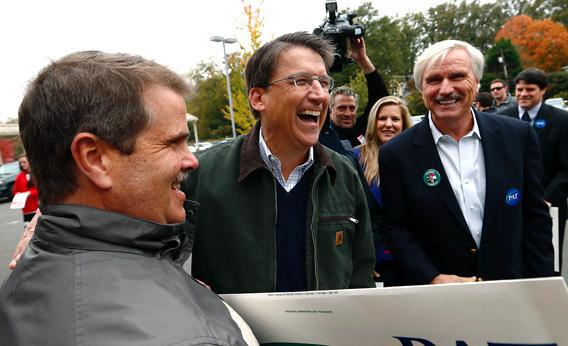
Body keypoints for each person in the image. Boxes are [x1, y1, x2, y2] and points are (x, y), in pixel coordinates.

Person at [1, 51, 256, 345]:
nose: (192, 160)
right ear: (94, 159)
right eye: (173, 143)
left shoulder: (27, 277)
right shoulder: (183, 337)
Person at [184, 32, 376, 294]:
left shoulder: (343, 173)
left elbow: (360, 273)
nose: (320, 95)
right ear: (258, 98)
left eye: (323, 82)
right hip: (236, 334)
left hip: (324, 335)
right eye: (301, 81)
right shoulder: (201, 174)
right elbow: (164, 263)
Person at [379, 40, 554, 285]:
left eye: (457, 76)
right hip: (439, 299)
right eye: (434, 80)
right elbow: (396, 228)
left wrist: (543, 287)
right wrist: (433, 277)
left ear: (477, 81)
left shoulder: (518, 136)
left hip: (510, 288)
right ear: (422, 88)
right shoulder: (396, 153)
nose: (446, 89)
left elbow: (535, 218)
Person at [498, 68, 568, 270]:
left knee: (546, 262)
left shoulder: (561, 121)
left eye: (530, 89)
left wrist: (546, 198)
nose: (523, 94)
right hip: (507, 205)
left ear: (543, 90)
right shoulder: (502, 119)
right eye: (519, 90)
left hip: (548, 205)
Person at [353, 95, 412, 285]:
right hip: (375, 262)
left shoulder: (416, 157)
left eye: (395, 119)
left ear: (404, 123)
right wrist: (362, 260)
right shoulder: (356, 157)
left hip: (412, 258)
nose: (388, 124)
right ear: (373, 122)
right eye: (382, 118)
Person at [327, 37, 389, 148]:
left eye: (352, 108)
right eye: (341, 108)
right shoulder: (323, 134)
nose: (347, 113)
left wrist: (362, 59)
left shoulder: (362, 127)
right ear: (330, 111)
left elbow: (381, 99)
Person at [12, 154, 39, 223]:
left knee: (40, 231)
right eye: (20, 163)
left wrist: (30, 193)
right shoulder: (19, 176)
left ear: (29, 161)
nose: (22, 164)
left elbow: (41, 189)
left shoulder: (37, 173)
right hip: (26, 210)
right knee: (29, 232)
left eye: (24, 162)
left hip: (38, 208)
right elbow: (15, 191)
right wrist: (17, 194)